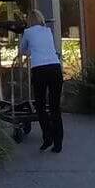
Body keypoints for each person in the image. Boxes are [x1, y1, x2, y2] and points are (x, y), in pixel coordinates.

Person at [16, 8, 64, 154]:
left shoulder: (28, 33)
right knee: (55, 107)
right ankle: (58, 143)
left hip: (40, 70)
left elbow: (22, 51)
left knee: (41, 106)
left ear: (29, 21)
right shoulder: (47, 31)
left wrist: (30, 51)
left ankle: (47, 137)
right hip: (55, 68)